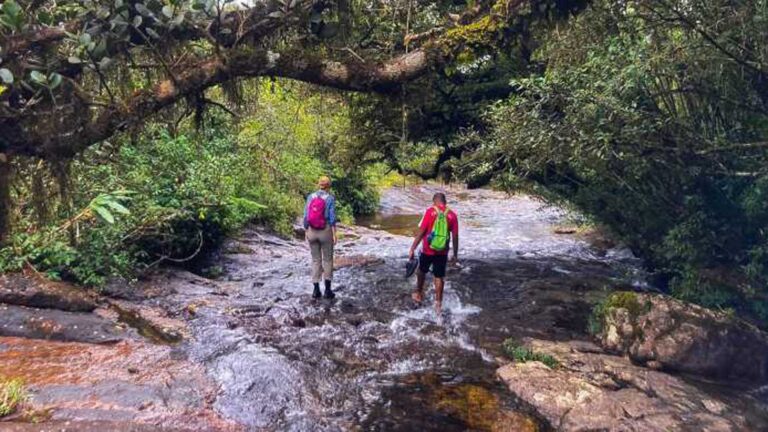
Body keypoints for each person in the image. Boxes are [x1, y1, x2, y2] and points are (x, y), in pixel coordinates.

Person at [408, 192, 459, 314]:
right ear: (445, 202)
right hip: (442, 251)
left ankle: (419, 293)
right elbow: (455, 236)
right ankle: (438, 304)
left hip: (428, 249)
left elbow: (421, 231)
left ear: (434, 201)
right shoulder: (452, 215)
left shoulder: (430, 211)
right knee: (439, 276)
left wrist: (413, 248)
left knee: (421, 271)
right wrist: (455, 254)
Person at [303, 176, 338, 299]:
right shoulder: (330, 198)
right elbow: (332, 217)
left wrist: (306, 230)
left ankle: (316, 290)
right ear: (329, 186)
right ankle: (328, 291)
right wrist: (334, 234)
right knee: (327, 260)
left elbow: (306, 216)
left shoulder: (310, 197)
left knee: (315, 260)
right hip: (325, 231)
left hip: (311, 231)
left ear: (319, 184)